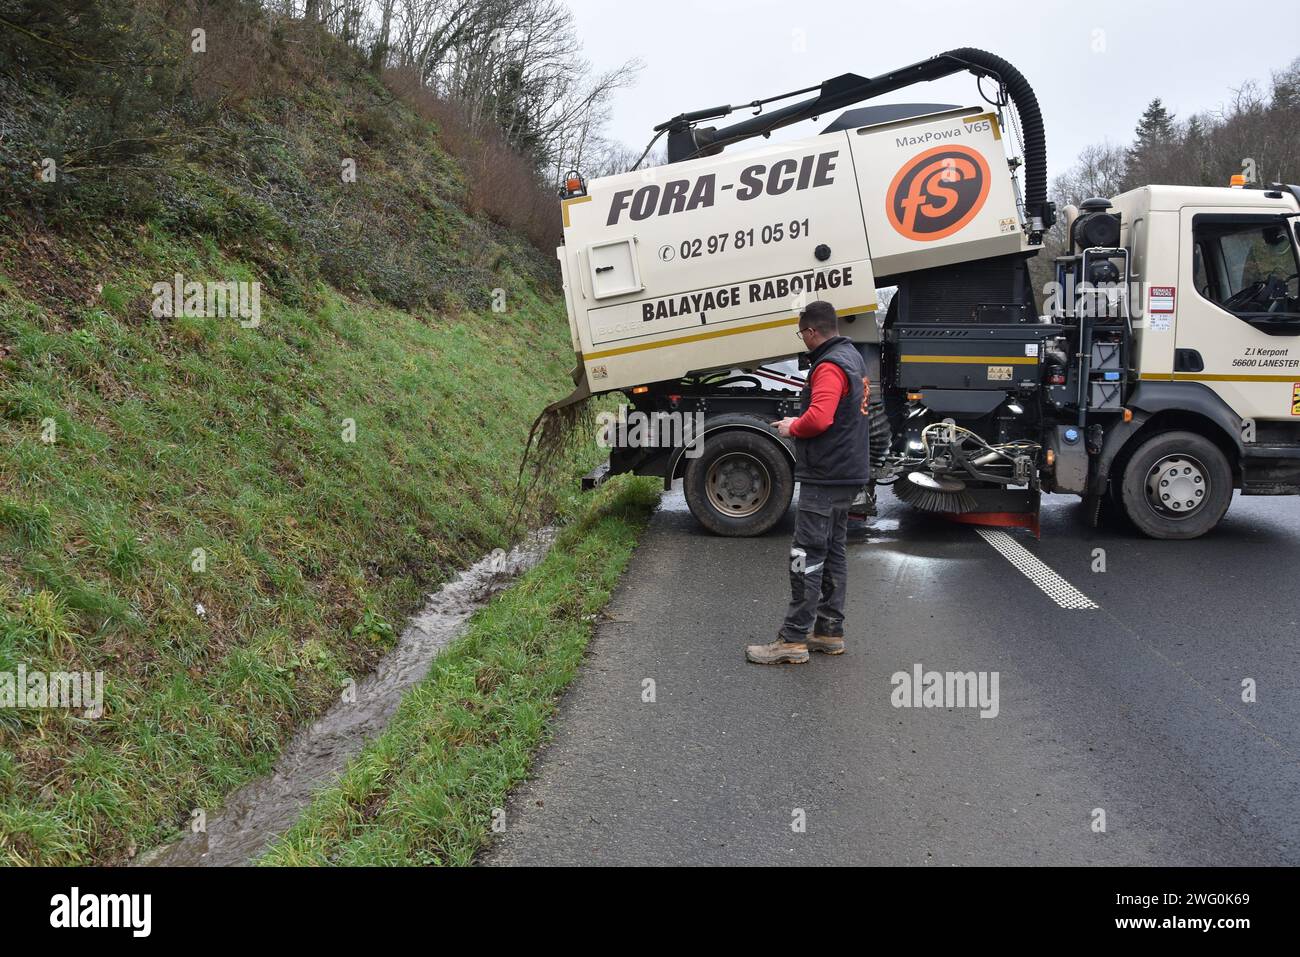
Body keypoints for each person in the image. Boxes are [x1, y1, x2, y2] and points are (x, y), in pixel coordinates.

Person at [746, 300, 871, 665]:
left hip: (826, 474)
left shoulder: (829, 366)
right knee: (833, 553)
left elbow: (819, 419)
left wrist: (792, 426)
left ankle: (792, 639)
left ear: (812, 331)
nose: (802, 339)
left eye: (802, 333)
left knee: (806, 556)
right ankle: (828, 631)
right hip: (847, 472)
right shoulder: (852, 357)